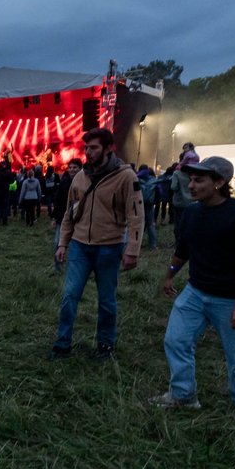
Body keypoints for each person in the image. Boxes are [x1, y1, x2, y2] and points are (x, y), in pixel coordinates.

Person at [150, 156, 235, 422]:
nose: (191, 185)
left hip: (231, 297)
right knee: (176, 341)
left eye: (199, 180)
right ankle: (183, 395)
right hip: (195, 292)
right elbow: (184, 249)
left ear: (219, 183)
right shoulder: (192, 212)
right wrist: (169, 276)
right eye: (190, 179)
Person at [49, 128, 143, 360]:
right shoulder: (80, 177)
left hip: (109, 246)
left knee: (107, 299)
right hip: (80, 245)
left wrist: (132, 250)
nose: (88, 152)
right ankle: (62, 344)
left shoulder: (126, 176)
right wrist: (62, 244)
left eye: (94, 148)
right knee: (69, 295)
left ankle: (105, 346)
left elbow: (136, 215)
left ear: (108, 148)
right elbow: (70, 213)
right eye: (86, 148)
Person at [49, 159, 82, 274]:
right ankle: (58, 267)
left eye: (75, 168)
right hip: (63, 218)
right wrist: (54, 217)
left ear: (80, 169)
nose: (72, 170)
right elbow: (58, 200)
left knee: (76, 244)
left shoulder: (84, 183)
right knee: (58, 242)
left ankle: (75, 268)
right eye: (70, 168)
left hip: (79, 219)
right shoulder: (64, 182)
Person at [170, 148, 199, 245]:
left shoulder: (177, 173)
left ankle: (178, 244)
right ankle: (189, 241)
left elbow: (173, 187)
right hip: (192, 201)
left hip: (179, 202)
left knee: (178, 224)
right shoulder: (192, 173)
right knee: (190, 222)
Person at [136, 164, 158, 248]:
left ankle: (137, 243)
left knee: (138, 224)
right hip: (150, 204)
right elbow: (159, 191)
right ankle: (153, 244)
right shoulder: (153, 179)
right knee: (150, 224)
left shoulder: (136, 178)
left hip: (139, 204)